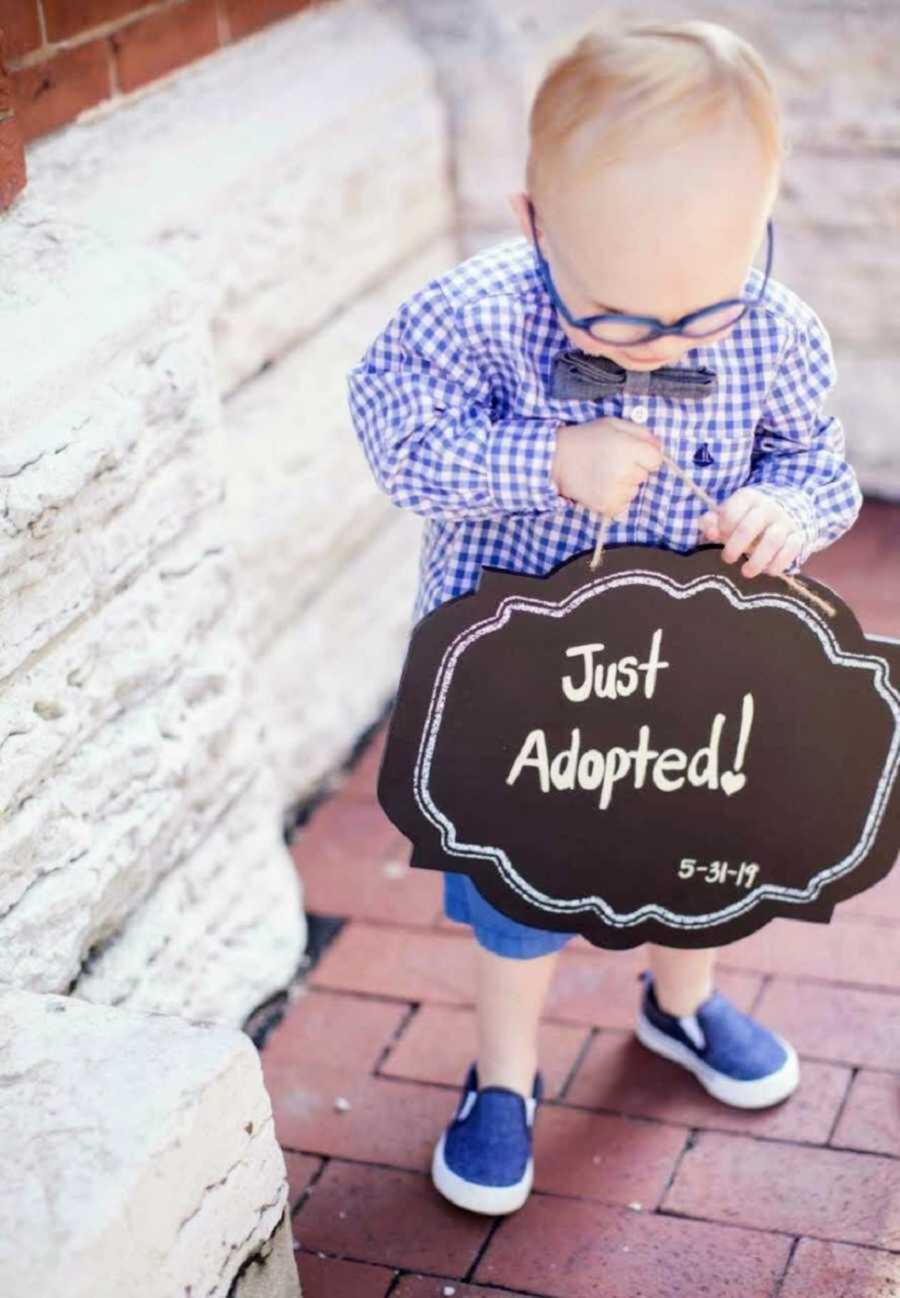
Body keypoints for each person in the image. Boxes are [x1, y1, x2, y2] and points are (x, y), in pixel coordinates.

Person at [345, 17, 863, 1217]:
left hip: (696, 677)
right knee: (520, 893)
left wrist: (784, 509)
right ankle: (505, 1079)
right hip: (521, 682)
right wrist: (545, 457)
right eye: (626, 324)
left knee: (702, 858)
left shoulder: (776, 333)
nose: (669, 347)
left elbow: (818, 463)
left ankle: (680, 1006)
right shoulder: (468, 318)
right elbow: (400, 448)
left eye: (703, 314)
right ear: (536, 226)